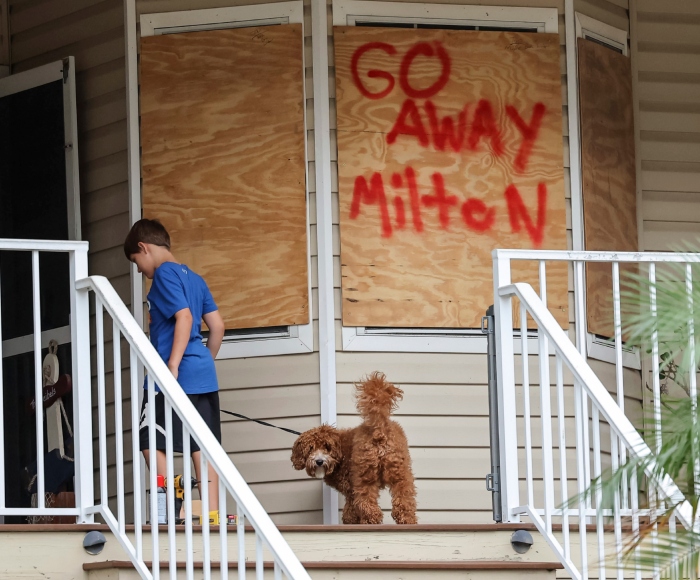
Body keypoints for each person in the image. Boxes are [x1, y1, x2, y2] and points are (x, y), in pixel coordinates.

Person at [124, 218, 226, 524]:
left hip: (172, 376)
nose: (140, 271)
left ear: (143, 248)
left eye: (136, 262)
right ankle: (211, 513)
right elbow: (218, 327)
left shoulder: (165, 275)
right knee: (202, 446)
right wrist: (200, 363)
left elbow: (183, 317)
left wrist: (172, 366)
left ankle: (176, 501)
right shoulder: (195, 278)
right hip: (202, 374)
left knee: (149, 441)